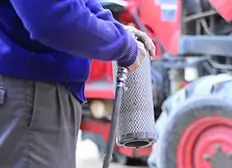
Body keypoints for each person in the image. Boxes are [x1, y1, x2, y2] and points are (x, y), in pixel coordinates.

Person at [0, 0, 155, 167]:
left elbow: (79, 3)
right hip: (31, 96)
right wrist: (123, 45)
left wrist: (115, 30)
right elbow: (52, 18)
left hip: (37, 96)